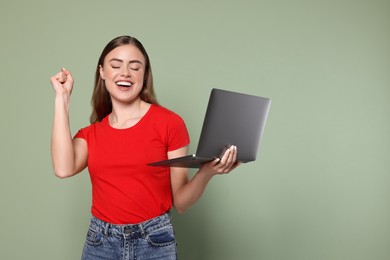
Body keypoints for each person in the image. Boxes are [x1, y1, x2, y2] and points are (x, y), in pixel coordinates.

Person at [50, 35, 240, 260]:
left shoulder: (169, 123)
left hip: (154, 242)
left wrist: (207, 172)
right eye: (115, 65)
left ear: (145, 74)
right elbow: (63, 169)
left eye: (135, 67)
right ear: (102, 72)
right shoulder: (91, 134)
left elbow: (180, 202)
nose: (125, 73)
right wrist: (62, 99)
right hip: (101, 244)